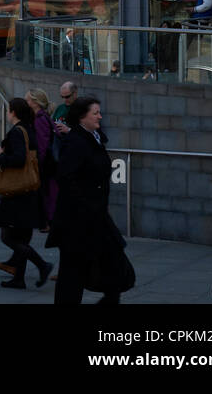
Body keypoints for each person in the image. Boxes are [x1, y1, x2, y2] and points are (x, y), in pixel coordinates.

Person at [47, 94, 133, 306]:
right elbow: (66, 178)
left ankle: (110, 299)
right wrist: (86, 205)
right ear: (81, 117)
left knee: (114, 262)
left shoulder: (92, 138)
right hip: (77, 220)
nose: (100, 117)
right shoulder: (76, 142)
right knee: (72, 274)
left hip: (96, 216)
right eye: (95, 113)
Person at [0, 97, 53, 290]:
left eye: (9, 110)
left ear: (13, 112)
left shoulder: (18, 132)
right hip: (30, 191)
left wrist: (0, 156)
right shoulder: (29, 129)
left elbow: (18, 159)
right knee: (22, 237)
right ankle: (19, 279)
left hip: (16, 192)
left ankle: (43, 265)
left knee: (8, 236)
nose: (8, 113)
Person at [26, 88, 59, 229]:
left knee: (47, 194)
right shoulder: (44, 117)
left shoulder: (40, 119)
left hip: (45, 164)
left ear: (35, 102)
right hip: (49, 163)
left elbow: (42, 144)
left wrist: (37, 163)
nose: (26, 102)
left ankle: (48, 222)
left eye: (27, 100)